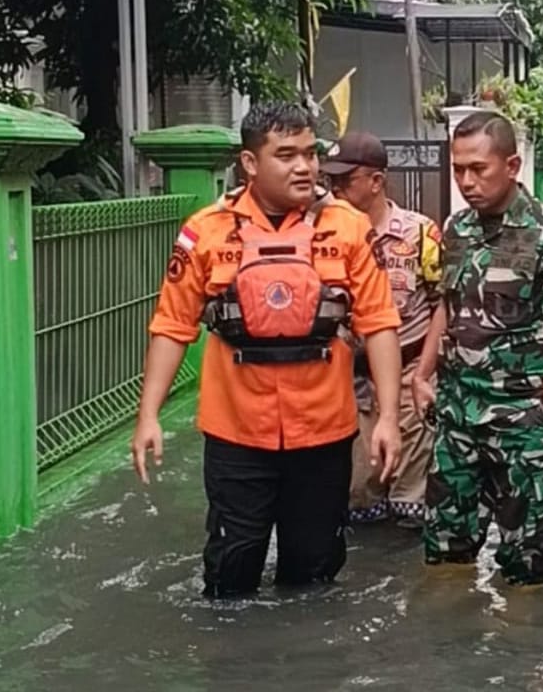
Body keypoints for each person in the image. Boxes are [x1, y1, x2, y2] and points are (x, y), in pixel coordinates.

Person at [130, 102, 403, 598]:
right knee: (231, 574)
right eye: (286, 155)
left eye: (309, 153)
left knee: (316, 573)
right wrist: (148, 416)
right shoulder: (205, 233)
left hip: (324, 432)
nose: (305, 166)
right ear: (250, 164)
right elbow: (172, 326)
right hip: (236, 434)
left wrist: (387, 416)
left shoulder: (347, 228)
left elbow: (380, 323)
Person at [412, 110, 543, 586]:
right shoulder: (457, 230)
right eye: (459, 170)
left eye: (479, 169)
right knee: (445, 548)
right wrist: (422, 374)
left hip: (521, 416)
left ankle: (523, 651)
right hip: (457, 414)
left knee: (526, 558)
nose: (467, 181)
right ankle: (454, 647)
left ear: (512, 165)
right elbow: (445, 307)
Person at [320, 131, 443, 529]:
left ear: (376, 182)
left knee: (412, 503)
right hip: (349, 378)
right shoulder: (320, 236)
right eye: (330, 181)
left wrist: (425, 373)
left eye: (343, 180)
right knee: (359, 495)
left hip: (410, 373)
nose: (333, 189)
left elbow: (445, 305)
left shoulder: (420, 234)